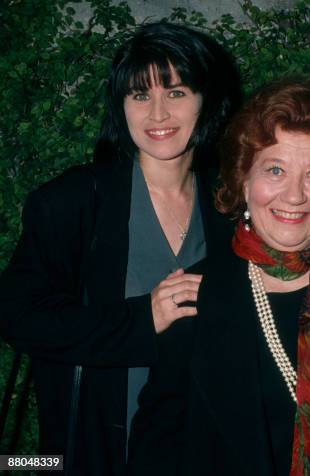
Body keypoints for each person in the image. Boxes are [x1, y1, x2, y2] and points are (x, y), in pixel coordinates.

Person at [0, 22, 238, 476]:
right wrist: (140, 319)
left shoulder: (231, 204)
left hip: (202, 448)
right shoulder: (72, 201)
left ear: (206, 100)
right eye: (139, 95)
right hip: (99, 451)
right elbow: (16, 314)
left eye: (176, 92)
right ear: (121, 105)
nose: (157, 113)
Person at [126, 80, 310, 476]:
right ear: (244, 180)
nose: (294, 195)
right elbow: (155, 447)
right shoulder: (197, 296)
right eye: (275, 170)